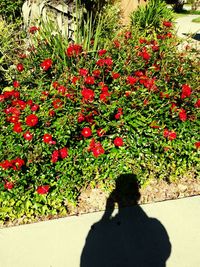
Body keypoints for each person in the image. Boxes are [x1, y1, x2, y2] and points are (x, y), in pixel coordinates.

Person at [80, 174, 171, 267]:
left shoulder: (153, 224)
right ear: (138, 196)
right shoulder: (153, 225)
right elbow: (165, 250)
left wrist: (106, 215)